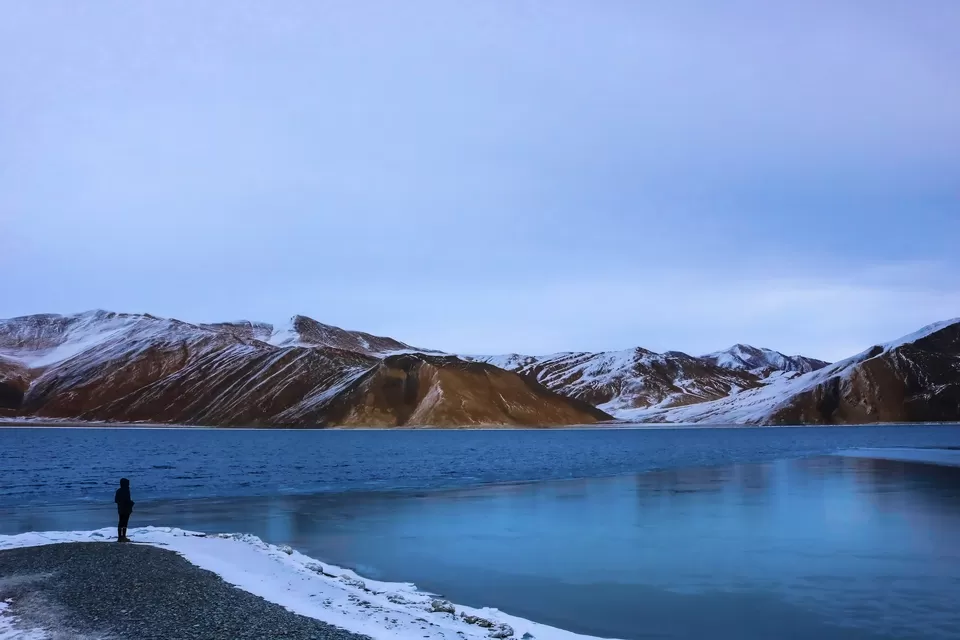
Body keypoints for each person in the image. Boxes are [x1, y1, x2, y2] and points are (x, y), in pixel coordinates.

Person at [114, 478, 135, 542]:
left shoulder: (118, 491)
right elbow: (127, 500)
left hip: (120, 509)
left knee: (120, 522)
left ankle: (120, 537)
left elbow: (116, 500)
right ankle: (123, 536)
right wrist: (131, 503)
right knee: (125, 523)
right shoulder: (126, 491)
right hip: (126, 509)